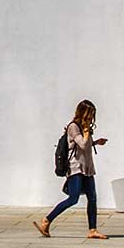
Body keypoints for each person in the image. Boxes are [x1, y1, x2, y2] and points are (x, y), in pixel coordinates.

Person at [34, 99, 109, 240]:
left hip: (87, 168)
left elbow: (86, 145)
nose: (91, 117)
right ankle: (46, 220)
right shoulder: (73, 127)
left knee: (92, 198)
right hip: (75, 168)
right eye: (90, 114)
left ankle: (92, 230)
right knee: (73, 198)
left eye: (93, 114)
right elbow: (82, 143)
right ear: (82, 113)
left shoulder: (83, 127)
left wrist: (96, 142)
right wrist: (86, 132)